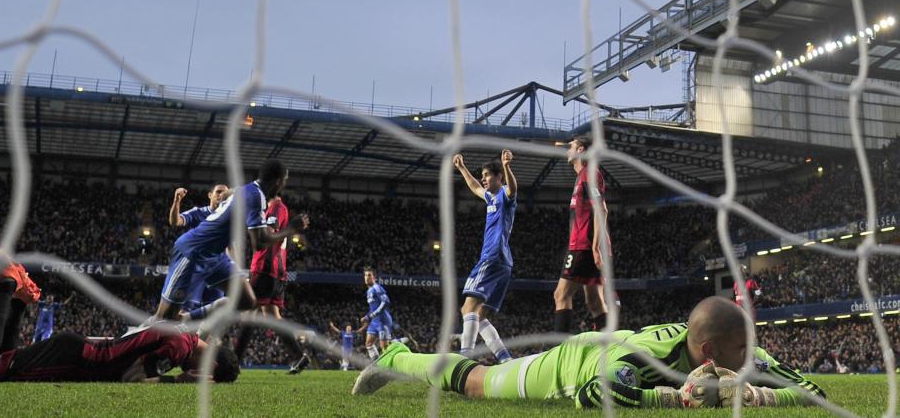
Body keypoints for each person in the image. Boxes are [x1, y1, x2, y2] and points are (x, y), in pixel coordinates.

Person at [353, 296, 826, 409]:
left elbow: (810, 389)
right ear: (707, 350)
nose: (753, 356)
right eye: (743, 350)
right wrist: (675, 399)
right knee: (477, 382)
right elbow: (591, 394)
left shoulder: (743, 352)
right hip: (573, 363)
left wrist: (758, 397)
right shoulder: (647, 356)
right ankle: (396, 356)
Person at [0, 274, 238, 383]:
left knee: (6, 360)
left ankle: (18, 302)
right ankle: (6, 288)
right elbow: (135, 381)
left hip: (77, 349)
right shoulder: (177, 350)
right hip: (73, 360)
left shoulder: (184, 334)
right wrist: (179, 381)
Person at [151, 160, 307, 323]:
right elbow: (259, 243)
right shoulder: (256, 196)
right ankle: (132, 339)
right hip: (193, 252)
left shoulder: (247, 189)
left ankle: (186, 320)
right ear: (278, 181)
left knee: (246, 300)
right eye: (284, 181)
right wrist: (290, 229)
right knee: (163, 318)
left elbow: (226, 195)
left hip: (216, 256)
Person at [234, 164, 311, 374]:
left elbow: (267, 234)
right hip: (277, 271)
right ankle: (299, 356)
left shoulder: (276, 207)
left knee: (249, 314)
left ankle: (233, 362)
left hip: (265, 268)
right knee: (272, 316)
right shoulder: (271, 207)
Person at [453, 149, 517, 363]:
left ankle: (465, 360)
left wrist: (506, 166)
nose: (483, 179)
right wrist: (462, 168)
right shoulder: (491, 198)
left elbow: (513, 189)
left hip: (492, 256)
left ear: (499, 177)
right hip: (504, 263)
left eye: (487, 175)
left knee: (467, 308)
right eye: (483, 175)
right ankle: (505, 359)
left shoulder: (505, 194)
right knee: (479, 317)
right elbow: (475, 187)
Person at [554, 135, 611, 335]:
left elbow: (601, 210)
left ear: (580, 150)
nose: (567, 150)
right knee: (594, 302)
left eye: (571, 146)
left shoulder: (589, 174)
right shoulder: (583, 176)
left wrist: (595, 247)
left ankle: (557, 352)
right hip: (586, 245)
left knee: (561, 294)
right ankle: (609, 347)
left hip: (584, 245)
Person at [168, 183, 230, 314]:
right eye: (218, 192)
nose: (221, 195)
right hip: (196, 268)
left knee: (214, 313)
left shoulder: (228, 217)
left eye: (225, 193)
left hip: (216, 268)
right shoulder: (198, 213)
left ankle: (201, 335)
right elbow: (175, 221)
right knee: (184, 311)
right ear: (210, 195)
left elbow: (230, 246)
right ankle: (171, 334)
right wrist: (177, 200)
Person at [361, 267, 395, 360]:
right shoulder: (369, 290)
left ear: (374, 278)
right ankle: (376, 365)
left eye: (369, 275)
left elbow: (385, 301)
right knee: (368, 344)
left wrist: (373, 314)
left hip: (383, 321)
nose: (367, 277)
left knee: (384, 348)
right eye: (365, 275)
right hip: (374, 321)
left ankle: (389, 369)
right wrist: (367, 316)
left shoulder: (377, 287)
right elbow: (373, 308)